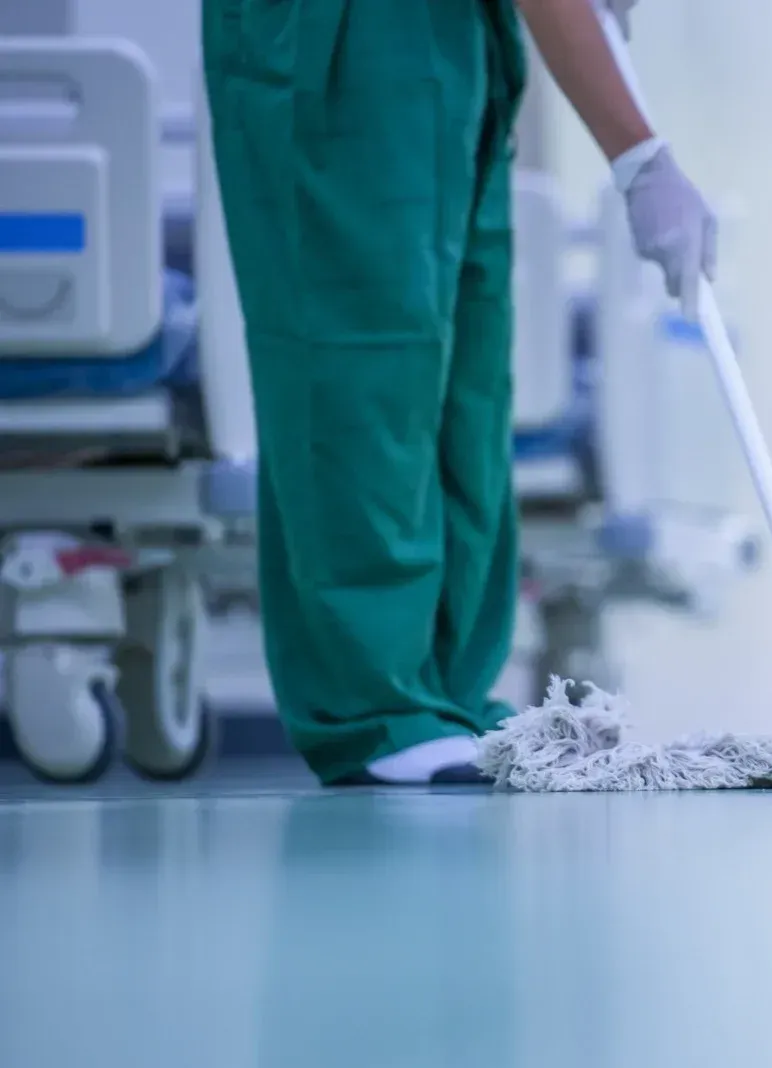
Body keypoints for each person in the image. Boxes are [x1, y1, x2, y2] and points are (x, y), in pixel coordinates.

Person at [202, 0, 715, 785]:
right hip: (337, 42)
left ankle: (443, 693)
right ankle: (373, 708)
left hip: (455, 37)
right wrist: (637, 154)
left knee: (466, 382)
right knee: (366, 366)